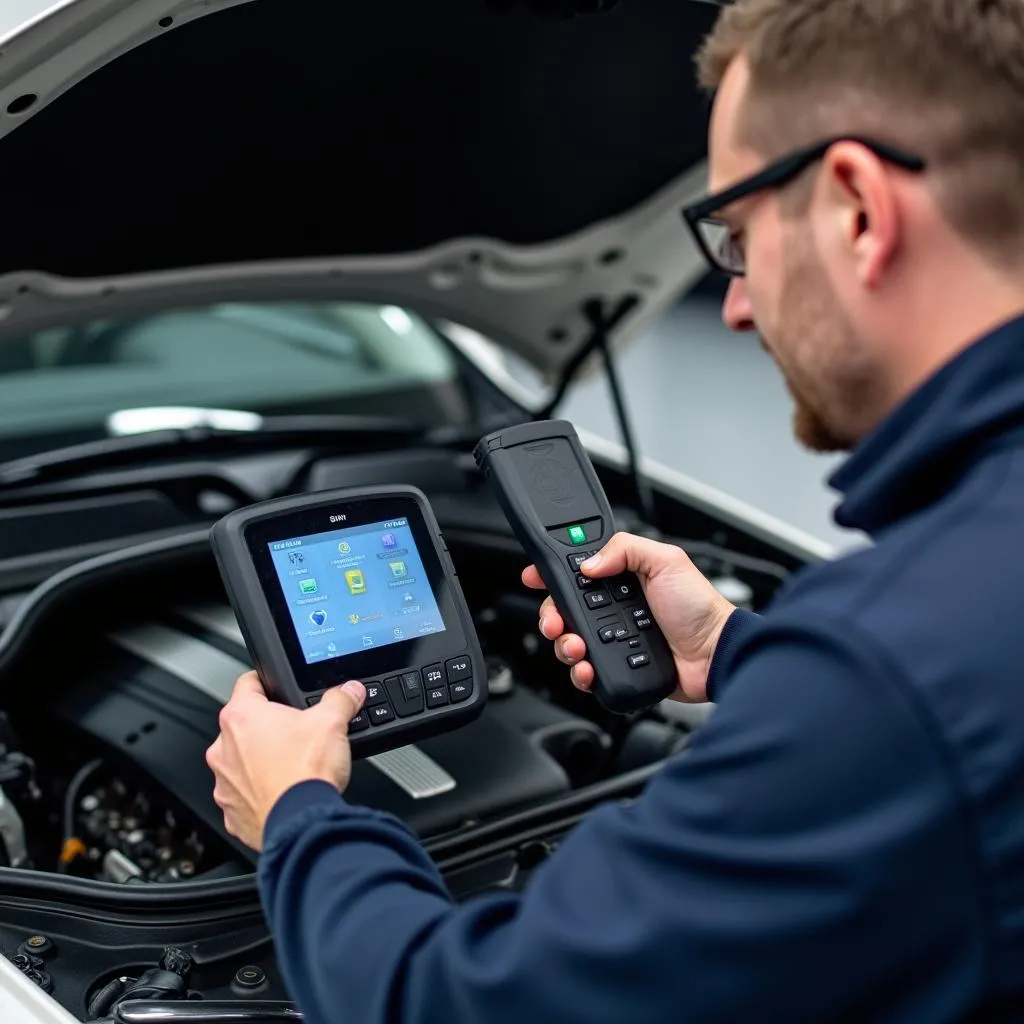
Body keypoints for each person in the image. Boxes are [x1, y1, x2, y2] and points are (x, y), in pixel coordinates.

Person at [205, 0, 1024, 1019]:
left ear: (857, 207)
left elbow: (458, 1005)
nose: (733, 304)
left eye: (736, 238)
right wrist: (737, 649)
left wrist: (297, 816)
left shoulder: (894, 672)